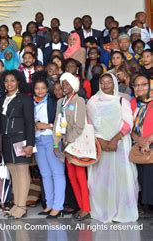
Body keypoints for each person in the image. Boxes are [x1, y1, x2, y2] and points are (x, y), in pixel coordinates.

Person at [87, 73, 138, 223]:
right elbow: (90, 124)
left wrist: (114, 140)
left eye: (109, 82)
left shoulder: (122, 100)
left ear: (114, 83)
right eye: (103, 82)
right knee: (101, 179)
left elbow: (128, 123)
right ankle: (104, 210)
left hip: (120, 145)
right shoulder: (92, 101)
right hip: (100, 145)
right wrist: (102, 141)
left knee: (122, 178)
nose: (105, 85)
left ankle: (123, 211)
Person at [0, 71, 34, 219]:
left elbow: (30, 122)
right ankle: (17, 204)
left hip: (20, 139)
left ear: (18, 82)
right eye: (6, 81)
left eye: (12, 81)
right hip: (6, 139)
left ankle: (22, 206)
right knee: (13, 171)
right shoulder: (2, 100)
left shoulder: (24, 99)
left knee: (22, 170)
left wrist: (30, 144)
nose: (9, 84)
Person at [54, 73, 90, 221]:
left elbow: (80, 125)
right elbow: (57, 123)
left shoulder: (79, 100)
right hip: (65, 145)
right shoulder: (60, 102)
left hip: (75, 143)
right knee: (72, 176)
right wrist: (57, 143)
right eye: (63, 84)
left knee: (80, 176)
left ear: (73, 85)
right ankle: (81, 207)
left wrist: (68, 141)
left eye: (67, 84)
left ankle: (86, 208)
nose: (64, 87)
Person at [32, 78, 65, 218]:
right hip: (37, 140)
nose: (40, 91)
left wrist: (46, 126)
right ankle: (49, 205)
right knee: (45, 174)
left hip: (52, 139)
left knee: (57, 173)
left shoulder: (54, 102)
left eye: (43, 88)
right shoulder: (31, 103)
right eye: (37, 88)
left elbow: (62, 122)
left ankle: (58, 207)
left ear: (47, 89)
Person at [130, 74, 153, 214]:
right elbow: (130, 126)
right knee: (140, 176)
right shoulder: (132, 103)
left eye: (143, 84)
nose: (139, 88)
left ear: (149, 85)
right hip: (137, 144)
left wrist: (149, 139)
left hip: (151, 143)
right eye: (136, 85)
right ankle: (145, 205)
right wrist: (140, 140)